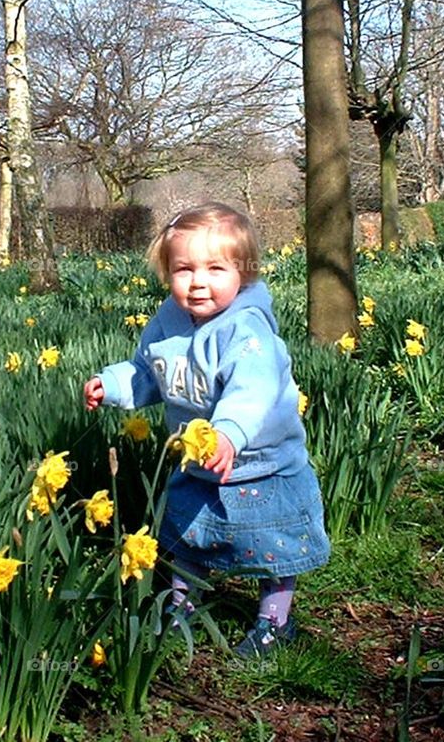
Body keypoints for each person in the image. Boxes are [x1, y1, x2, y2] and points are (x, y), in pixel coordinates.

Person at [83, 203, 330, 659]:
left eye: (216, 268)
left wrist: (229, 434)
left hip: (261, 461)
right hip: (198, 461)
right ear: (167, 273)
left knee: (274, 544)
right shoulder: (167, 322)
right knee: (188, 537)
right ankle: (183, 607)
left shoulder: (248, 329)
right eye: (184, 269)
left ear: (245, 273)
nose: (198, 282)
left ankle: (275, 621)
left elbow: (252, 390)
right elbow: (150, 372)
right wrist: (113, 385)